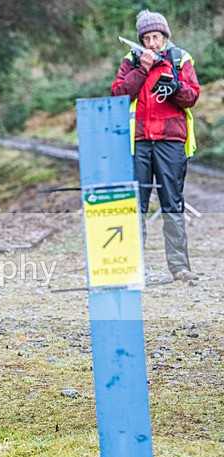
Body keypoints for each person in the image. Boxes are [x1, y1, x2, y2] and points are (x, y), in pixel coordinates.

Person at [111, 9, 201, 281]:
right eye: (147, 38)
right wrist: (143, 69)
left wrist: (173, 86)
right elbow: (118, 94)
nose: (152, 43)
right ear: (140, 39)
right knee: (135, 204)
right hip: (138, 142)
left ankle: (180, 267)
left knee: (172, 202)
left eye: (156, 37)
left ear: (165, 36)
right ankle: (132, 267)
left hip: (171, 141)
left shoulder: (179, 58)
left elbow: (192, 96)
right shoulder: (132, 60)